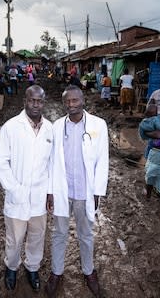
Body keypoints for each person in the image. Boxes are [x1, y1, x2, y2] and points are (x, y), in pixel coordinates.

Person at [46, 85, 109, 298]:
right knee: (59, 234)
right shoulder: (56, 127)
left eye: (75, 100)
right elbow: (51, 161)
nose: (71, 105)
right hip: (62, 190)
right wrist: (50, 191)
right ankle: (56, 272)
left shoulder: (98, 125)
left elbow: (103, 161)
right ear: (64, 103)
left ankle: (89, 271)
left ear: (83, 101)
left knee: (86, 234)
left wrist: (98, 191)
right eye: (67, 101)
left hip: (85, 192)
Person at [0, 85, 54, 292]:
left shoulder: (50, 129)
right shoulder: (11, 127)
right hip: (17, 195)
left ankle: (32, 267)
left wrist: (50, 191)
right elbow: (1, 160)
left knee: (37, 236)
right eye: (32, 100)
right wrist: (14, 188)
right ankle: (11, 267)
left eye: (40, 101)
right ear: (25, 102)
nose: (36, 104)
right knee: (15, 238)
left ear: (43, 103)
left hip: (39, 196)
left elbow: (53, 164)